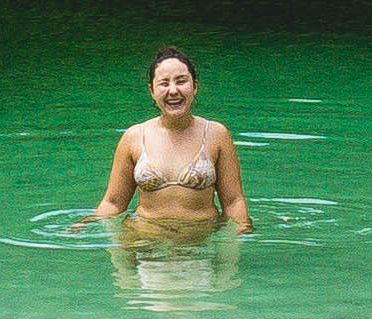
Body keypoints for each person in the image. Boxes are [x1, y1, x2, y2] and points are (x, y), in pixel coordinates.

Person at [91, 52, 252, 250]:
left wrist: (238, 238)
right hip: (144, 242)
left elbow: (233, 201)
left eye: (181, 81)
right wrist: (88, 225)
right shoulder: (134, 137)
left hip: (201, 244)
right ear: (152, 91)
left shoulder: (216, 134)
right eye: (164, 83)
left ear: (195, 86)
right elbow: (114, 202)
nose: (173, 90)